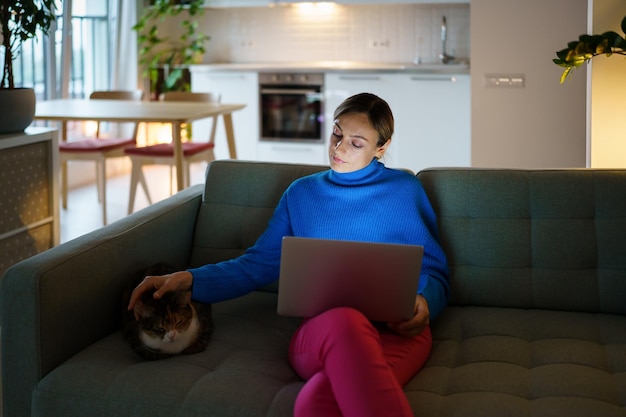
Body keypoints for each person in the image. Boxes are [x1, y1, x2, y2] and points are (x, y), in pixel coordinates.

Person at [128, 92, 450, 417]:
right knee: (346, 322)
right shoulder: (301, 193)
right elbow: (257, 265)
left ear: (381, 146)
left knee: (316, 404)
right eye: (337, 132)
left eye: (356, 142)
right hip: (324, 332)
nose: (338, 148)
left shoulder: (405, 190)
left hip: (395, 334)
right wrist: (188, 279)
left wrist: (424, 302)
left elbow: (434, 271)